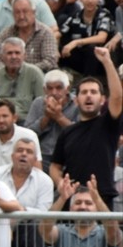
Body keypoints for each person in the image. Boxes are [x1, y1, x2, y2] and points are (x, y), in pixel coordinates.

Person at [50, 47, 122, 208]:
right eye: (84, 92)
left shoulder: (108, 125)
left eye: (93, 92)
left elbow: (117, 96)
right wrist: (60, 182)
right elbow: (55, 166)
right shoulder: (68, 132)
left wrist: (107, 61)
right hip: (72, 199)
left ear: (103, 100)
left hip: (101, 197)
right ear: (76, 100)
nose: (89, 95)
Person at [0, 136, 53, 247]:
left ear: (35, 158)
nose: (23, 154)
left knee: (37, 225)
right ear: (12, 156)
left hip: (25, 231)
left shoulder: (45, 181)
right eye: (19, 151)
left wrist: (20, 211)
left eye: (29, 152)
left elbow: (43, 214)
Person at [24, 68, 76, 166]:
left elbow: (79, 134)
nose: (54, 92)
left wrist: (59, 117)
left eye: (59, 88)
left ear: (67, 89)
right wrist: (46, 117)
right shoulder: (38, 103)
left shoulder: (77, 104)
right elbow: (27, 134)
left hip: (69, 155)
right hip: (41, 155)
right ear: (44, 90)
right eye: (50, 88)